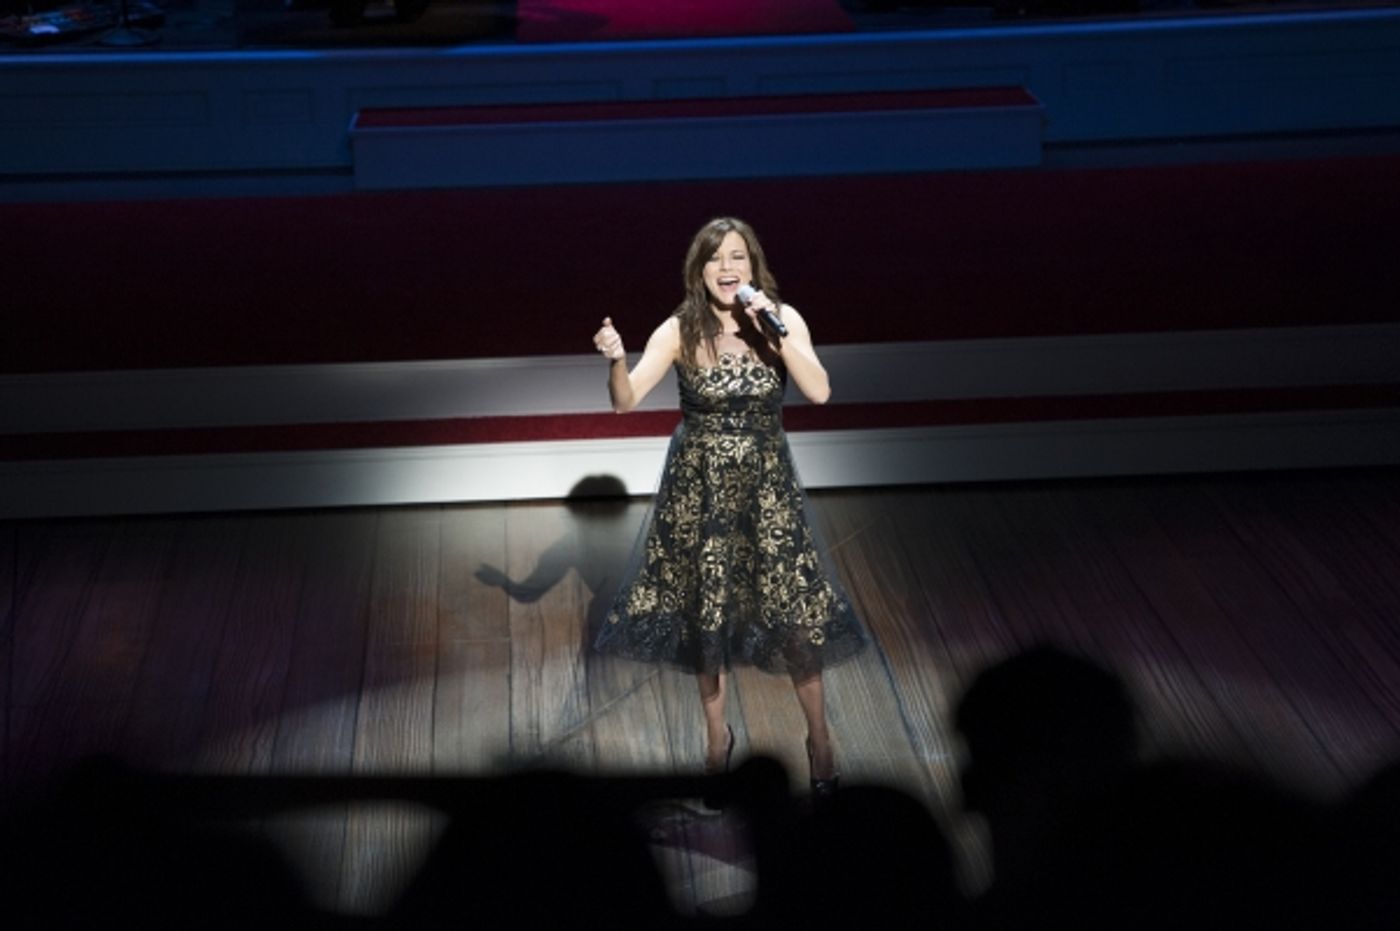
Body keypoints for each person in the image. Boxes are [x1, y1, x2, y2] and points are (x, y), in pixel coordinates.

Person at [591, 216, 866, 795]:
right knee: (706, 618)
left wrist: (773, 326)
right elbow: (625, 401)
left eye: (737, 256)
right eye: (715, 258)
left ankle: (819, 740)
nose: (726, 268)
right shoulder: (678, 330)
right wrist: (615, 358)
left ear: (753, 265)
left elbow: (818, 392)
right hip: (701, 494)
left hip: (768, 493)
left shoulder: (782, 320)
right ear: (699, 269)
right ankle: (717, 742)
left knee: (795, 617)